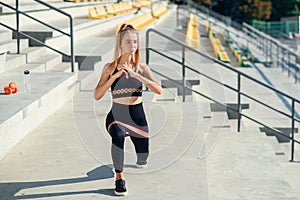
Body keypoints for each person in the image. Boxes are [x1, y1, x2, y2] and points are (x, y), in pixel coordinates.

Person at [94, 23, 162, 196]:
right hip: (116, 114)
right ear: (120, 45)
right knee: (117, 136)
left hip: (137, 116)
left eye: (135, 42)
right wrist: (115, 76)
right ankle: (119, 177)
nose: (132, 46)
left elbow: (159, 90)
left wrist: (136, 75)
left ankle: (141, 156)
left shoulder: (142, 67)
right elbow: (97, 95)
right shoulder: (109, 67)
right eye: (128, 42)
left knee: (142, 158)